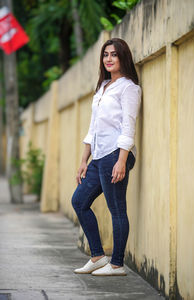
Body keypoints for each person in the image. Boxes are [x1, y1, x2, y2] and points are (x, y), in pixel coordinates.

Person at [71, 38, 142, 276]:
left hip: (116, 154)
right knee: (79, 202)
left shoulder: (129, 88)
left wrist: (122, 160)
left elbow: (128, 127)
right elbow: (94, 127)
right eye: (105, 54)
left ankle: (117, 264)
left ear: (123, 57)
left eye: (114, 54)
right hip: (99, 155)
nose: (109, 59)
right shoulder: (102, 87)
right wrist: (84, 159)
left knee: (117, 209)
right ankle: (98, 256)